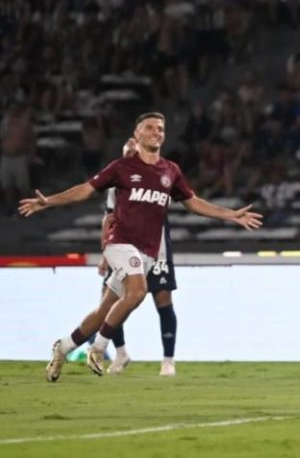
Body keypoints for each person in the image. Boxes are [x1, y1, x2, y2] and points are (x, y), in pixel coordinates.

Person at [19, 112, 263, 382]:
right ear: (137, 136)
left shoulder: (171, 171)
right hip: (120, 244)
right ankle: (99, 349)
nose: (156, 132)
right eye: (149, 127)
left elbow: (193, 203)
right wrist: (48, 202)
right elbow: (86, 190)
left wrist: (231, 215)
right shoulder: (122, 167)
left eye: (160, 128)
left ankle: (62, 348)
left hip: (146, 252)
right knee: (138, 291)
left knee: (103, 312)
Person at [96, 137, 181, 376]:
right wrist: (104, 253)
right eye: (127, 153)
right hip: (123, 249)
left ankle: (168, 360)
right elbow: (109, 217)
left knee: (163, 300)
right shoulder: (116, 183)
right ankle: (121, 353)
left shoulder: (159, 175)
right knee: (109, 301)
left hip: (157, 249)